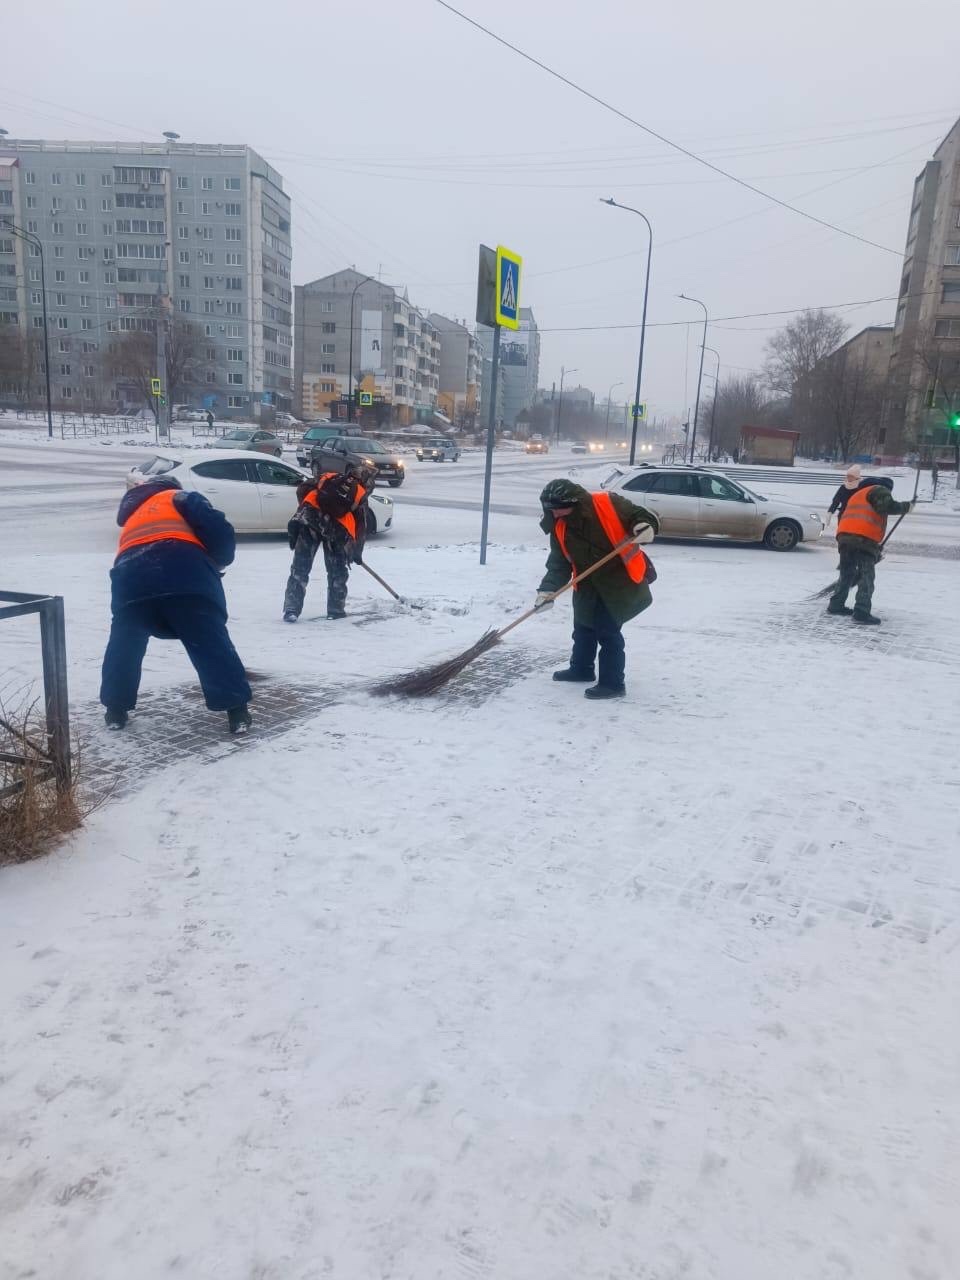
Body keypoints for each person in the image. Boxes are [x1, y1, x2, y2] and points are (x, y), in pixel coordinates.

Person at [100, 476, 252, 733]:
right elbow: (219, 529)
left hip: (130, 581)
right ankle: (236, 712)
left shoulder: (135, 512)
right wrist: (221, 560)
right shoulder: (179, 497)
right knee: (208, 643)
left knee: (125, 645)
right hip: (181, 574)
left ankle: (116, 710)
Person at [535, 478, 658, 700]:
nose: (553, 514)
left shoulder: (607, 503)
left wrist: (645, 526)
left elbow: (640, 515)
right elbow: (559, 562)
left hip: (619, 581)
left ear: (574, 504)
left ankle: (613, 684)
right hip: (587, 582)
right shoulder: (559, 525)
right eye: (549, 510)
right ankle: (581, 669)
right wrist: (547, 590)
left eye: (558, 509)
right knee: (583, 627)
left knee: (607, 631)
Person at [282, 464, 373, 622]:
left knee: (300, 568)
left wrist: (306, 507)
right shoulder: (360, 493)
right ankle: (336, 610)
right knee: (337, 571)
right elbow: (360, 527)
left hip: (309, 520)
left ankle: (291, 610)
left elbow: (301, 489)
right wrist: (356, 552)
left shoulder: (328, 477)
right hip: (336, 531)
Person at [827, 476, 913, 625]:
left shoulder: (858, 494)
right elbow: (886, 506)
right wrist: (906, 507)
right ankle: (861, 611)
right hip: (863, 539)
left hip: (845, 537)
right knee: (866, 576)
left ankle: (836, 605)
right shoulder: (879, 489)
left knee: (847, 573)